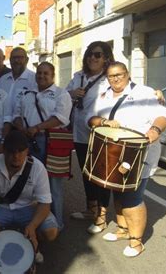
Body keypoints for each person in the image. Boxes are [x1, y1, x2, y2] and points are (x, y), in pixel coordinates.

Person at [87, 62, 166, 257]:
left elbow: (163, 116)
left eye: (120, 74)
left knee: (133, 198)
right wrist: (103, 122)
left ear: (128, 74)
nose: (116, 79)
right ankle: (123, 230)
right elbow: (91, 120)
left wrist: (154, 131)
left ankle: (137, 242)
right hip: (113, 154)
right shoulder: (103, 96)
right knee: (118, 193)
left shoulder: (145, 93)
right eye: (111, 76)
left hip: (140, 155)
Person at [0, 130, 59, 263]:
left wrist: (33, 226)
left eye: (20, 151)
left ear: (27, 151)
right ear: (4, 151)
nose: (16, 156)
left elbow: (45, 203)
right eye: (11, 151)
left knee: (51, 231)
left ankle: (32, 243)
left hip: (29, 207)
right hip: (0, 207)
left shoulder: (38, 168)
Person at [10, 62, 72, 230]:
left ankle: (57, 223)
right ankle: (33, 221)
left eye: (46, 73)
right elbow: (16, 114)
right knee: (29, 180)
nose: (42, 76)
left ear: (53, 75)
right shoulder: (26, 93)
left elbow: (61, 118)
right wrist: (20, 127)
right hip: (27, 140)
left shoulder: (61, 94)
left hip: (51, 141)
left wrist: (37, 127)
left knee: (53, 184)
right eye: (39, 73)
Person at [66, 41, 115, 228]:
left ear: (106, 58)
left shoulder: (109, 78)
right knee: (86, 174)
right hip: (79, 134)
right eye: (89, 54)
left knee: (100, 177)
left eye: (97, 55)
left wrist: (155, 93)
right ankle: (90, 209)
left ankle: (101, 217)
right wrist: (71, 93)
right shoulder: (78, 76)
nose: (92, 58)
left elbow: (129, 88)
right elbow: (63, 95)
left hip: (100, 136)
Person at [0, 47, 38, 140]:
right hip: (3, 128)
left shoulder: (35, 79)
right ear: (10, 60)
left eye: (20, 57)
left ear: (27, 60)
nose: (16, 60)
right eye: (14, 58)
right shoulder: (2, 80)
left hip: (24, 130)